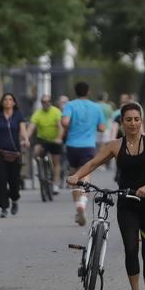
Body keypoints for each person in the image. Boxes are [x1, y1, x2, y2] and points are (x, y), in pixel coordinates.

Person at [67, 102, 145, 290]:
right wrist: (76, 176)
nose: (133, 123)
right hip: (127, 204)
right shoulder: (115, 146)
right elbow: (93, 163)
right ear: (122, 122)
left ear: (141, 120)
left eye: (136, 119)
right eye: (128, 120)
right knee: (131, 249)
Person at [62, 82, 106, 226]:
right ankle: (83, 201)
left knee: (74, 175)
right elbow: (102, 127)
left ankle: (78, 208)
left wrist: (72, 126)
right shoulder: (96, 107)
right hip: (88, 145)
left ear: (75, 92)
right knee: (86, 174)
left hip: (72, 145)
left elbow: (65, 122)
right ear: (88, 92)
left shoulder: (70, 105)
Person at [0, 92, 29, 218]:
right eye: (5, 99)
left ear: (14, 103)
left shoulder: (18, 116)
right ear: (2, 102)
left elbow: (23, 130)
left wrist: (26, 139)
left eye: (10, 99)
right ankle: (4, 207)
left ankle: (15, 199)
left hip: (14, 153)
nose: (7, 101)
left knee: (14, 181)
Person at [29, 93, 65, 184]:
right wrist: (26, 138)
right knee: (36, 151)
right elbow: (31, 128)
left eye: (48, 101)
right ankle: (40, 170)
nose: (46, 103)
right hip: (42, 140)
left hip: (54, 140)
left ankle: (56, 182)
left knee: (56, 161)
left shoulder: (56, 111)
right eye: (44, 102)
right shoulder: (37, 114)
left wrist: (59, 138)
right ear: (41, 103)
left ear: (51, 102)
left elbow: (60, 127)